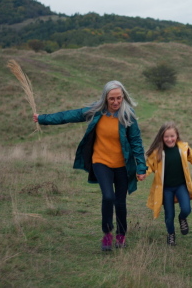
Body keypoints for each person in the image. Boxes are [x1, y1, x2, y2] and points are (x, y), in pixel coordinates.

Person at [33, 80, 147, 251]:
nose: (116, 102)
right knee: (108, 196)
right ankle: (107, 234)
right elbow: (68, 116)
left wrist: (141, 167)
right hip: (101, 162)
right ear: (105, 99)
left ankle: (121, 235)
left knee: (120, 202)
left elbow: (136, 142)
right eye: (112, 99)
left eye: (119, 98)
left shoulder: (127, 115)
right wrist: (43, 119)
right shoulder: (95, 112)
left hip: (122, 165)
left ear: (123, 97)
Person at [139, 122, 192, 246]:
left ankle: (182, 218)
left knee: (186, 208)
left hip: (181, 186)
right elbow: (149, 166)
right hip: (166, 189)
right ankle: (171, 234)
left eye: (172, 136)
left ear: (177, 135)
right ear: (161, 137)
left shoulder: (183, 148)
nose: (169, 139)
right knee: (169, 215)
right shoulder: (157, 152)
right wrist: (143, 173)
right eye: (166, 136)